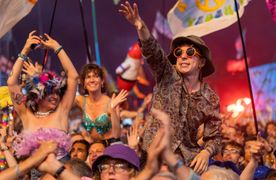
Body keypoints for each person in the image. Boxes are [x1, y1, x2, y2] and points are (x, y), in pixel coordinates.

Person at [119, 1, 222, 174]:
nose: (183, 56)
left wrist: (206, 152)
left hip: (186, 162)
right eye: (178, 53)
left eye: (190, 53)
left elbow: (215, 137)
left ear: (202, 62)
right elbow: (153, 51)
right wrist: (139, 25)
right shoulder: (167, 76)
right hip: (152, 156)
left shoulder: (210, 98)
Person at [7, 31, 78, 159]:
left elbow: (73, 76)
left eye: (57, 92)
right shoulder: (26, 114)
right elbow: (12, 82)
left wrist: (57, 47)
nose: (55, 96)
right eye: (50, 92)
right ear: (37, 95)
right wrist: (25, 50)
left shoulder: (62, 111)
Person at [75, 64, 128, 142]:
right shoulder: (80, 100)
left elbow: (117, 134)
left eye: (96, 76)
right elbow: (64, 101)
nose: (92, 80)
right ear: (84, 84)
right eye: (88, 77)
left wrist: (112, 108)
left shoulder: (112, 102)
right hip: (92, 148)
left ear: (102, 81)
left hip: (109, 147)